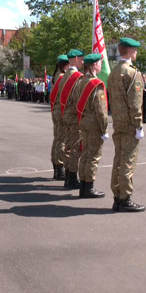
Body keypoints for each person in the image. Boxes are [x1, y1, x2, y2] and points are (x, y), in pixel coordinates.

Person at [108, 37, 145, 212]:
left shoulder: (114, 71)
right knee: (128, 161)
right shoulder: (132, 73)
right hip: (130, 123)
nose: (136, 53)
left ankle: (117, 196)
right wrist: (139, 125)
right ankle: (125, 198)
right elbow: (135, 103)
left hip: (118, 121)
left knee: (118, 160)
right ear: (130, 51)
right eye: (135, 50)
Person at [73, 53, 107, 198]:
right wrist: (104, 128)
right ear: (94, 66)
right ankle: (89, 187)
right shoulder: (96, 84)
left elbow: (75, 99)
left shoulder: (80, 81)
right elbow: (101, 110)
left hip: (83, 121)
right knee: (93, 156)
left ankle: (83, 186)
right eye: (100, 63)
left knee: (85, 154)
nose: (101, 65)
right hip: (94, 124)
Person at [60, 49, 85, 190]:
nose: (82, 62)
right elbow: (78, 99)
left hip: (66, 115)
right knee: (75, 147)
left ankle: (68, 176)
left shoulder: (64, 75)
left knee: (68, 145)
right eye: (81, 59)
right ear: (76, 58)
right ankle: (71, 178)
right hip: (75, 116)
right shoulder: (77, 77)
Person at [49, 54, 69, 181]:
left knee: (57, 139)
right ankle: (60, 167)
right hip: (61, 110)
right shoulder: (63, 77)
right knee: (62, 140)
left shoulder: (57, 76)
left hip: (56, 110)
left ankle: (57, 168)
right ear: (65, 65)